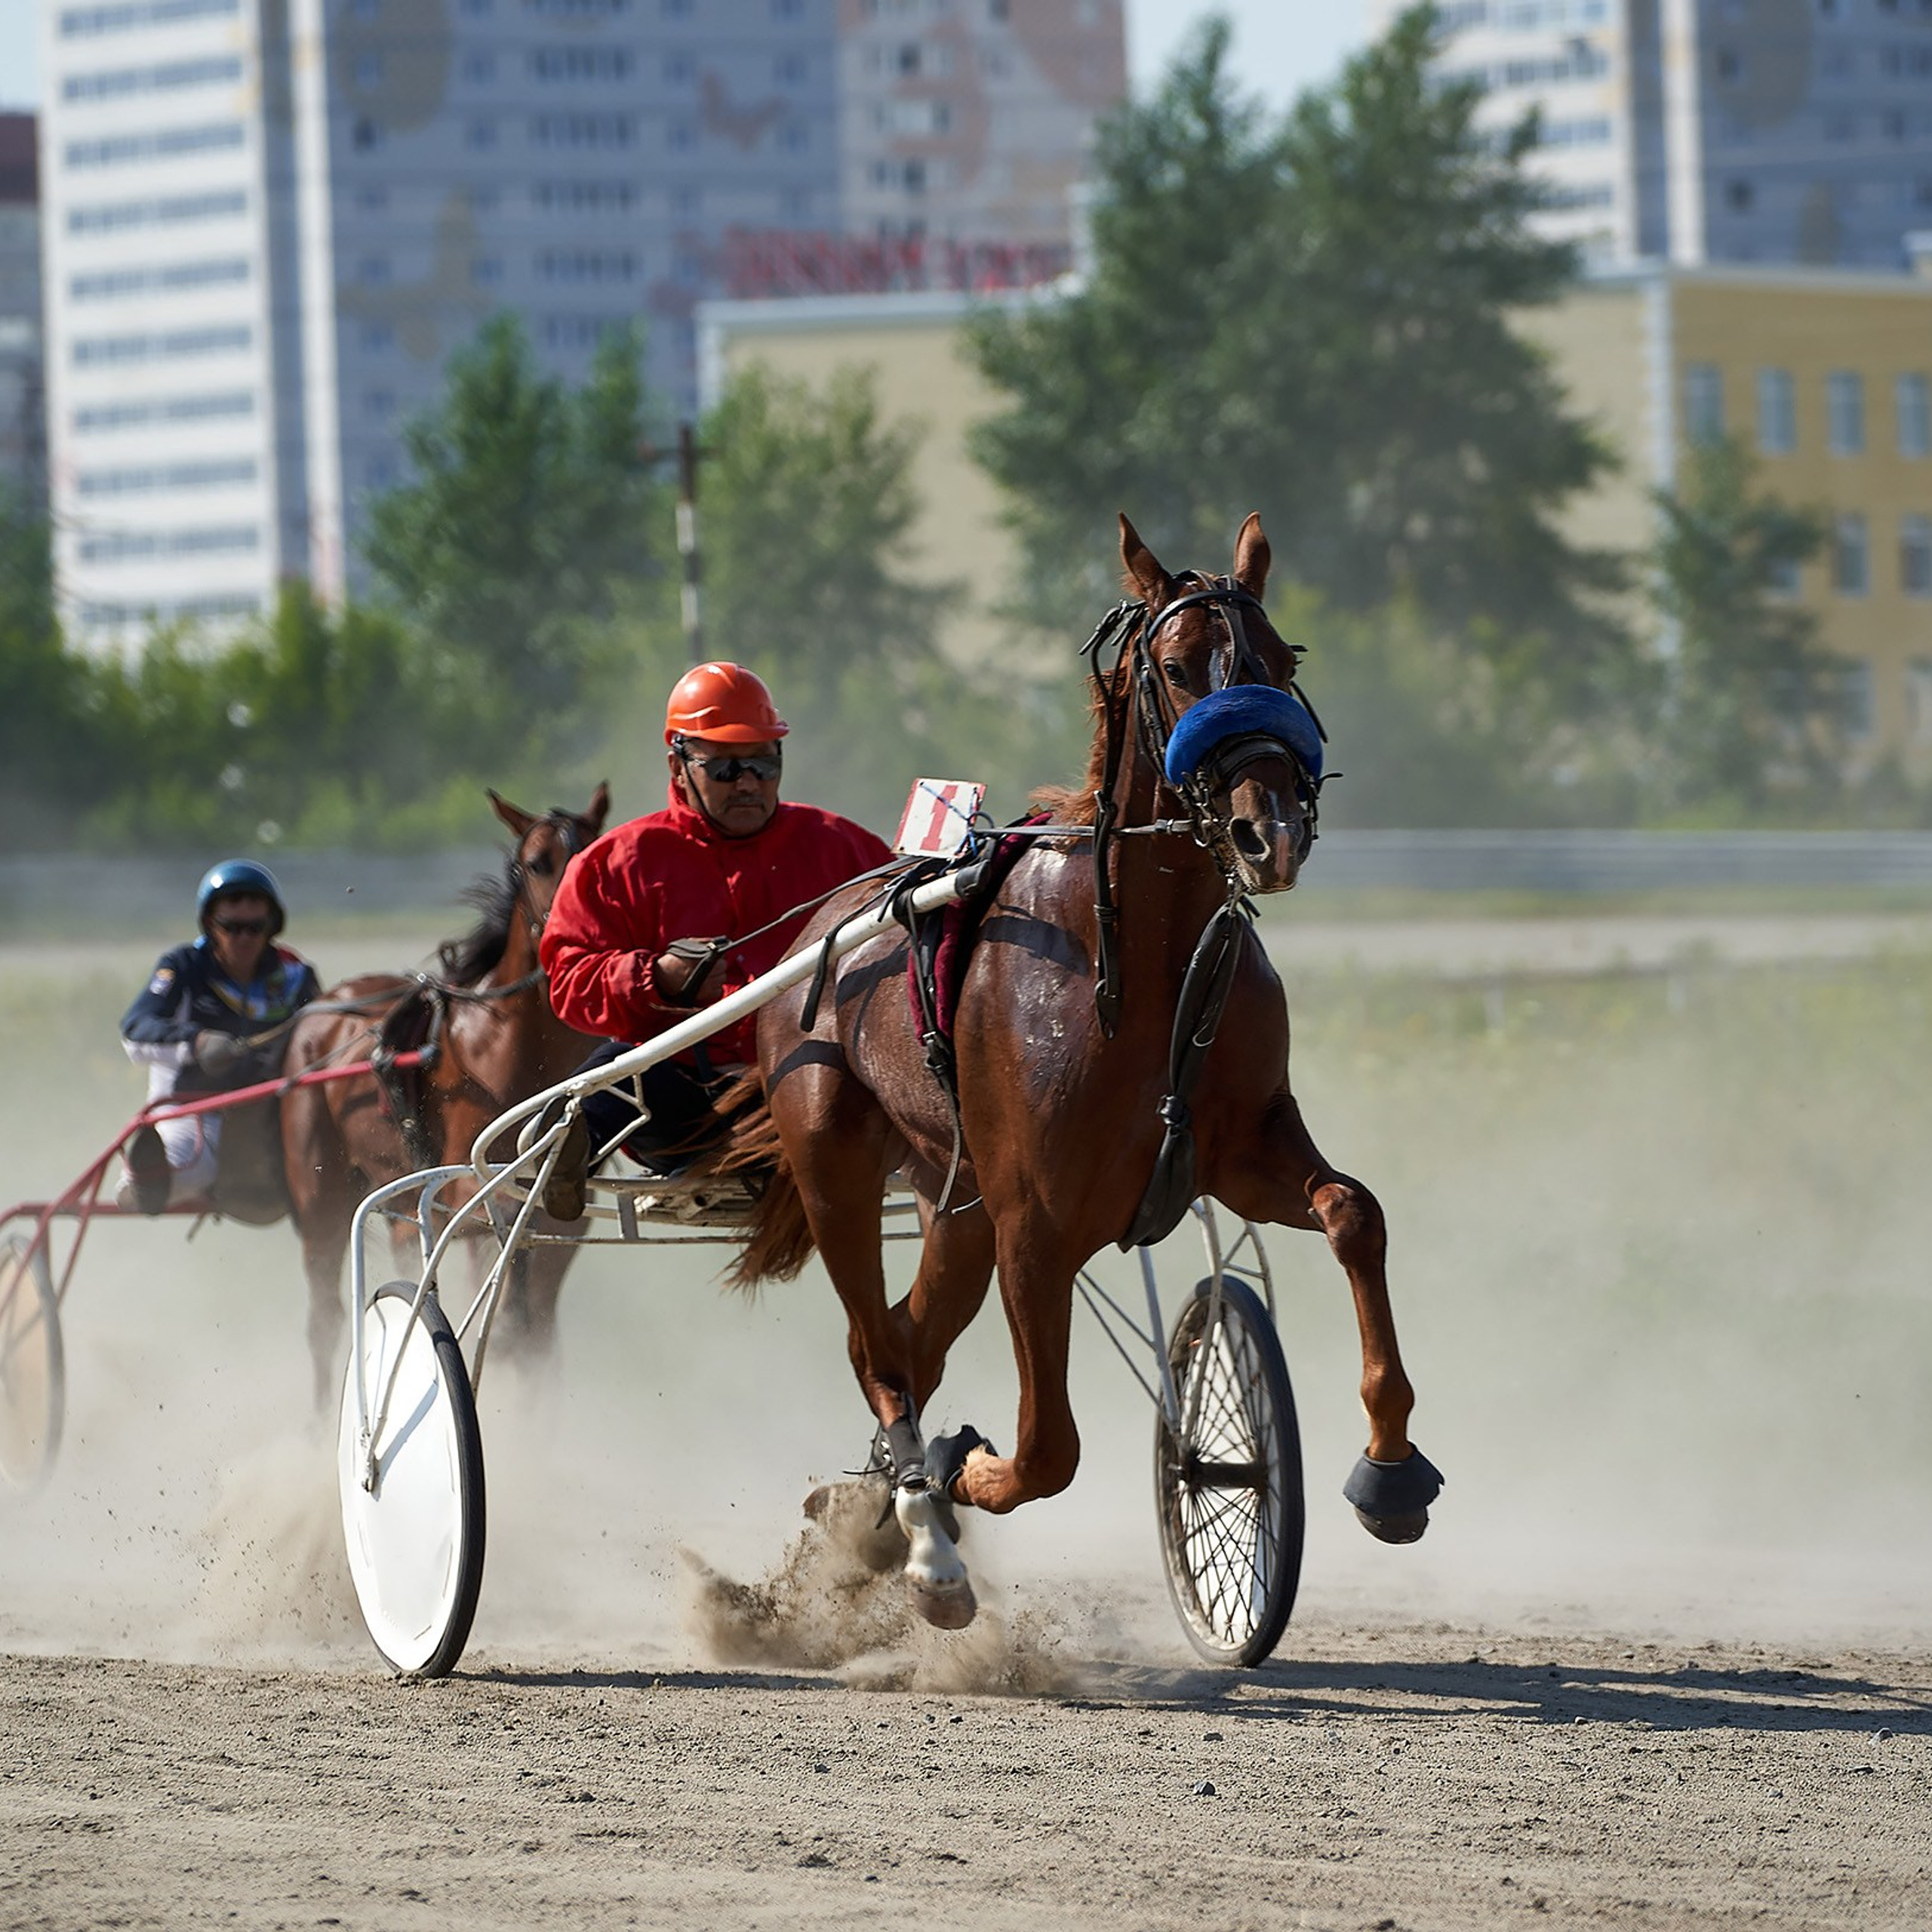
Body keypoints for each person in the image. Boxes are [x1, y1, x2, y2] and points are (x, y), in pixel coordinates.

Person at [537, 661, 894, 1217]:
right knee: (603, 1075)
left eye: (763, 763)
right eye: (726, 767)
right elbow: (568, 978)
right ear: (678, 765)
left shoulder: (845, 849)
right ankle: (554, 1162)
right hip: (683, 1105)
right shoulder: (614, 865)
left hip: (820, 1090)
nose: (749, 782)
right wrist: (654, 978)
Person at [118, 859, 321, 1214]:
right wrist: (197, 1043)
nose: (244, 938)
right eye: (232, 927)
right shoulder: (183, 966)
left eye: (255, 927)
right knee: (193, 1167)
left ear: (272, 926)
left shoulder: (295, 975)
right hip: (196, 1106)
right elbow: (136, 1030)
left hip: (278, 1107)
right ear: (211, 924)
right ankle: (145, 1181)